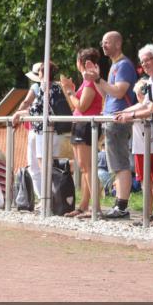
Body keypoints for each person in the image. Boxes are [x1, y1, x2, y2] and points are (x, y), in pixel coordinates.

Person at [84, 31, 137, 219]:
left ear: (118, 43)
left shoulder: (123, 65)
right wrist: (95, 79)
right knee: (116, 164)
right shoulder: (115, 65)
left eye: (107, 42)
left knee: (120, 164)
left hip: (118, 120)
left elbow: (119, 92)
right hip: (111, 118)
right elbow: (106, 95)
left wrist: (99, 80)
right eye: (102, 42)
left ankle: (121, 206)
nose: (103, 45)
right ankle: (119, 204)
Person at [112, 44, 153, 225]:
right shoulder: (152, 81)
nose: (145, 64)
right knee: (148, 182)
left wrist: (129, 114)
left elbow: (150, 107)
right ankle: (152, 214)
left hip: (148, 142)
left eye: (148, 60)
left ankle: (151, 214)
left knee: (148, 182)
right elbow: (144, 105)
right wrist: (124, 112)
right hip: (146, 143)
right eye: (142, 62)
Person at [59, 48, 103, 218]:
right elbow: (75, 107)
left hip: (86, 125)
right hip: (79, 124)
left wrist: (70, 91)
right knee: (84, 168)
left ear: (82, 63)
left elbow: (82, 106)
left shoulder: (90, 83)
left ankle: (96, 208)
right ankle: (84, 205)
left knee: (88, 167)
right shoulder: (85, 83)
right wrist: (69, 89)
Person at [12, 61, 63, 198]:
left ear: (42, 73)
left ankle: (47, 198)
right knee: (49, 166)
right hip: (55, 131)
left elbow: (36, 111)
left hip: (43, 131)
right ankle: (52, 198)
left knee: (43, 166)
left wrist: (18, 113)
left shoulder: (44, 88)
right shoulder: (57, 87)